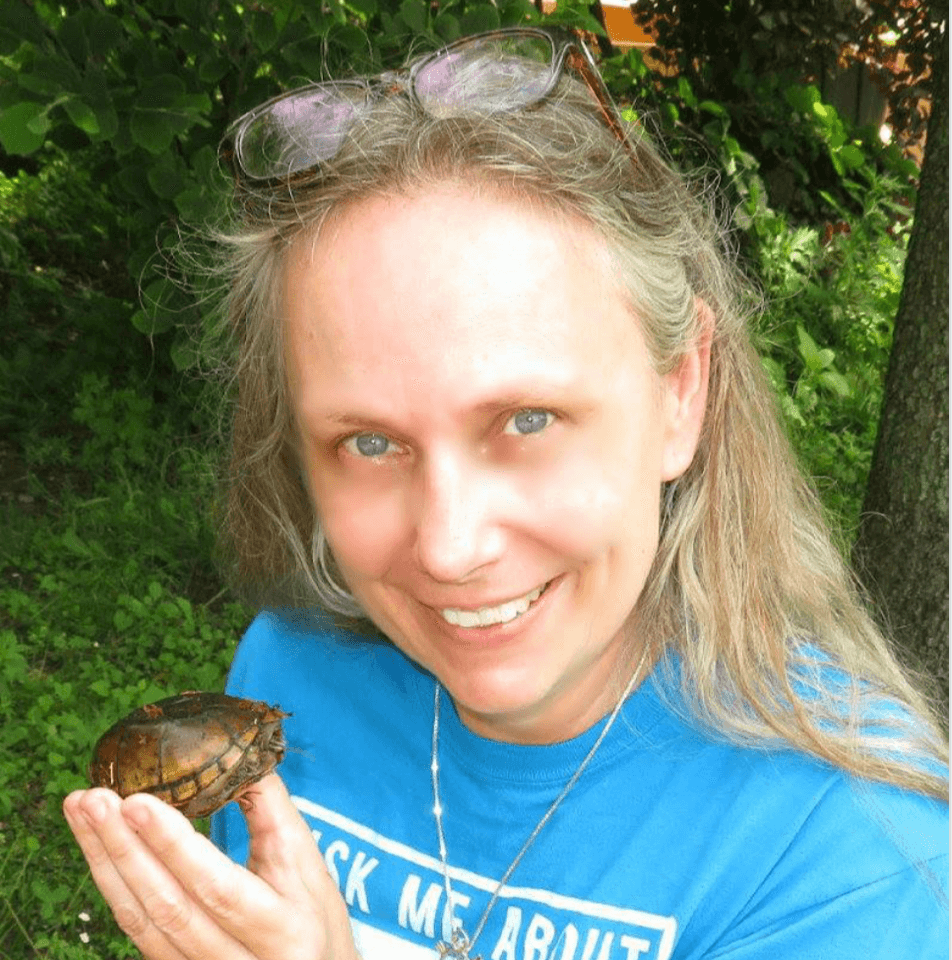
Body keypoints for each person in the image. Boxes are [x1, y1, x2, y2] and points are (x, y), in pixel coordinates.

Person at [63, 26, 949, 960]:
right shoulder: (287, 686)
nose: (449, 548)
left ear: (682, 389)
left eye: (526, 421)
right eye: (369, 442)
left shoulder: (855, 857)